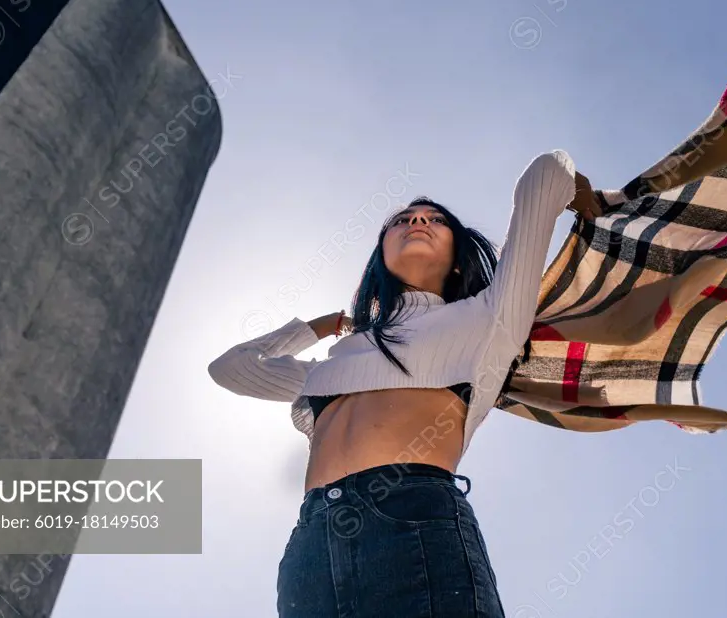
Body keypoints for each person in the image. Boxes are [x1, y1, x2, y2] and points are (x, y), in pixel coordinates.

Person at [207, 150, 598, 617]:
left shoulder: (488, 319)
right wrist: (317, 326)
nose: (417, 219)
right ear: (380, 258)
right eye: (403, 219)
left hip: (414, 520)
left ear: (457, 260)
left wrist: (580, 192)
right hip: (311, 543)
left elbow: (543, 176)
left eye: (436, 219)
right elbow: (231, 368)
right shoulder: (330, 366)